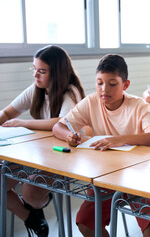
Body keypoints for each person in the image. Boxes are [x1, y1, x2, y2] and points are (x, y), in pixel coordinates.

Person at [52, 54, 150, 237]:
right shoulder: (91, 102)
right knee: (85, 223)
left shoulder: (137, 105)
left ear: (125, 85)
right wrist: (69, 136)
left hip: (140, 176)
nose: (104, 89)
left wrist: (119, 139)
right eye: (99, 83)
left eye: (112, 84)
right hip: (107, 176)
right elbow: (58, 126)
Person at [0, 45, 85, 236]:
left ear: (57, 74)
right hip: (36, 154)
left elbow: (60, 122)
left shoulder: (70, 92)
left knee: (30, 191)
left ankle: (36, 206)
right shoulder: (37, 88)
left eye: (42, 71)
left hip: (63, 157)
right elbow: (7, 112)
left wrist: (23, 123)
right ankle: (32, 218)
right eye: (34, 69)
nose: (36, 76)